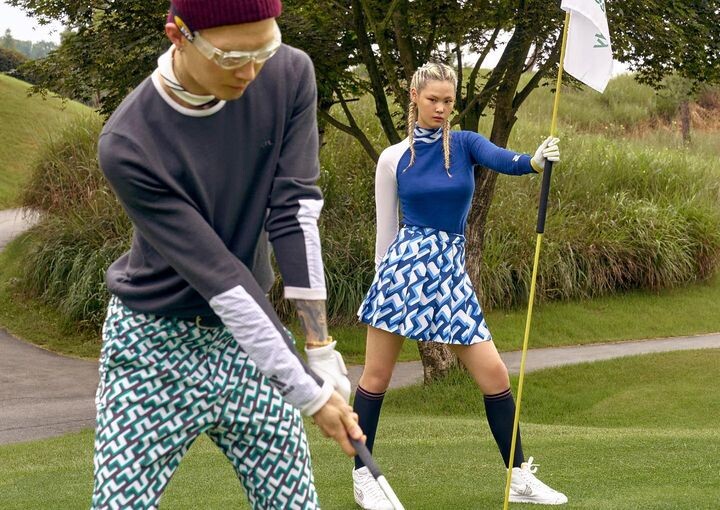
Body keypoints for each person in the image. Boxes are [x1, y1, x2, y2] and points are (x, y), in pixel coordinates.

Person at [91, 1, 361, 508]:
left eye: (265, 49)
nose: (252, 72)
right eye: (233, 57)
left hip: (251, 343)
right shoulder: (128, 142)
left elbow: (294, 213)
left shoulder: (289, 72)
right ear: (178, 35)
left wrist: (321, 349)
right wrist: (310, 394)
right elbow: (219, 275)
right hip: (153, 347)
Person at [351, 62, 568, 508]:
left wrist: (532, 161)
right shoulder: (393, 157)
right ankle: (363, 476)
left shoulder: (465, 144)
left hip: (450, 273)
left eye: (448, 101)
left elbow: (502, 159)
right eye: (433, 99)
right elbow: (385, 231)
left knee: (494, 374)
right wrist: (381, 286)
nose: (441, 108)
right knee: (376, 376)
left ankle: (518, 478)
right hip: (404, 271)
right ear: (414, 96)